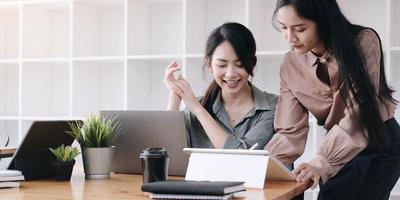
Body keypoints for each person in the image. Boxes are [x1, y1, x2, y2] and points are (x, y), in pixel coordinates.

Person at [264, 0, 400, 199]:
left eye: (300, 29)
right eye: (283, 27)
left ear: (323, 21)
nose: (290, 37)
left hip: (378, 143)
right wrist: (262, 164)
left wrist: (320, 162)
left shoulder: (363, 41)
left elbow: (359, 114)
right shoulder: (290, 65)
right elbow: (289, 131)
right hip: (338, 147)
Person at [164, 22, 278, 150]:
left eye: (240, 64)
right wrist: (175, 95)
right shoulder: (195, 107)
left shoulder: (273, 107)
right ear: (209, 65)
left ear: (252, 63)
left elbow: (240, 157)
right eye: (222, 65)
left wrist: (198, 110)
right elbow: (166, 155)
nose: (230, 74)